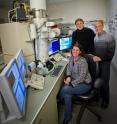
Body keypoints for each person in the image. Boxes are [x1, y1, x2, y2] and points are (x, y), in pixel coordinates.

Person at [60, 44, 92, 124]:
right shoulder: (71, 58)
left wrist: (70, 83)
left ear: (80, 52)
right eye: (73, 49)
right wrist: (68, 77)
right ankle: (68, 116)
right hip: (76, 80)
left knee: (65, 89)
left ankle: (59, 99)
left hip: (85, 84)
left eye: (77, 50)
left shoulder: (83, 61)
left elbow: (82, 78)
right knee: (67, 94)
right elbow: (68, 69)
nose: (74, 51)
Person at [93, 20, 116, 109]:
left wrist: (101, 58)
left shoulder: (109, 37)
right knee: (98, 80)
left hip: (105, 63)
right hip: (98, 63)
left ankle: (106, 101)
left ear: (102, 26)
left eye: (99, 26)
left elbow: (111, 53)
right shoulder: (95, 37)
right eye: (96, 26)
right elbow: (95, 50)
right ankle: (101, 96)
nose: (97, 28)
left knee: (105, 82)